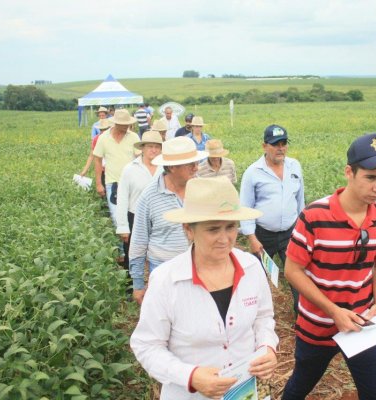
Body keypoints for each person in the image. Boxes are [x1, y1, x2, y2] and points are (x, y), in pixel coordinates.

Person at [130, 177, 279, 399]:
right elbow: (147, 345)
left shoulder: (251, 268)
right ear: (189, 230)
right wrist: (191, 376)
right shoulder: (166, 280)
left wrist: (268, 347)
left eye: (230, 227)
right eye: (212, 229)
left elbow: (263, 317)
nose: (224, 238)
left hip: (245, 391)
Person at [281, 133, 376, 400]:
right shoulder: (315, 215)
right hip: (318, 324)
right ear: (349, 172)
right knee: (300, 386)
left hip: (362, 323)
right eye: (371, 177)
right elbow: (292, 270)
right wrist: (333, 311)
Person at [128, 136, 209, 304]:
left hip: (199, 268)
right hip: (163, 270)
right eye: (190, 164)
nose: (196, 167)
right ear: (172, 167)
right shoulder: (149, 196)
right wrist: (137, 283)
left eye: (196, 162)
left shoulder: (203, 190)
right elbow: (138, 240)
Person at [239, 124, 304, 309]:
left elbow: (300, 201)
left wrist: (301, 230)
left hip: (290, 234)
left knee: (297, 277)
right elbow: (245, 207)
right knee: (257, 278)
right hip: (262, 235)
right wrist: (252, 238)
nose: (280, 148)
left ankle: (300, 320)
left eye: (283, 143)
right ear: (264, 146)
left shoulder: (295, 166)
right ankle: (256, 317)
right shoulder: (253, 172)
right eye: (275, 144)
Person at [116, 130, 164, 286]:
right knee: (133, 252)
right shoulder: (130, 168)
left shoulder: (165, 168)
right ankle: (132, 287)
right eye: (150, 146)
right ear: (142, 148)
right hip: (135, 216)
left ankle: (158, 286)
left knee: (158, 253)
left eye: (157, 147)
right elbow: (122, 198)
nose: (154, 150)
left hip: (159, 217)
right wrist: (123, 226)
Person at [93, 109, 139, 223]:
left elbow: (140, 158)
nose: (126, 126)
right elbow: (97, 160)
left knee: (133, 217)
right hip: (112, 183)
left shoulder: (133, 137)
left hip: (132, 184)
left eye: (127, 124)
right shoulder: (103, 138)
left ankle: (129, 241)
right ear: (116, 123)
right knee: (116, 218)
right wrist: (99, 184)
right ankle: (123, 239)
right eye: (123, 124)